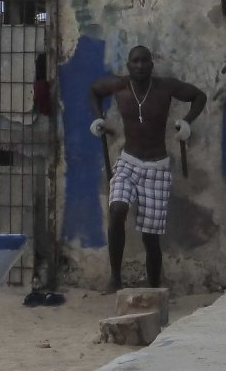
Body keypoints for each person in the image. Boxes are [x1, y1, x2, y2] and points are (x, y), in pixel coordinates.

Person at [89, 45, 207, 293]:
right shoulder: (119, 87)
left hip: (157, 167)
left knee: (150, 236)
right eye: (135, 61)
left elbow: (199, 96)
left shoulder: (165, 87)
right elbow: (93, 90)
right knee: (117, 208)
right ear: (129, 65)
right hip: (128, 162)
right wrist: (98, 117)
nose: (140, 65)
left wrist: (187, 122)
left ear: (151, 65)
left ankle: (154, 287)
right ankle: (115, 278)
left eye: (145, 61)